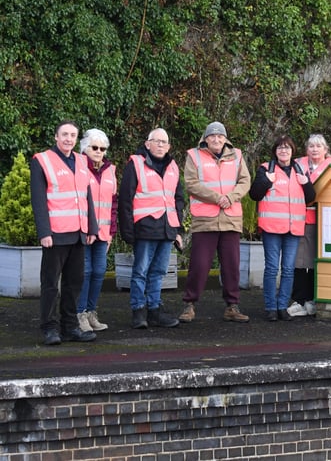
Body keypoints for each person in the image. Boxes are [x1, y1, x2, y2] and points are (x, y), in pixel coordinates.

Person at [31, 121, 98, 345]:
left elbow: (87, 195)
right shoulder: (42, 160)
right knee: (50, 283)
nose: (68, 139)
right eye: (64, 134)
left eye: (72, 135)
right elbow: (39, 200)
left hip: (79, 232)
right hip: (55, 234)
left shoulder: (81, 160)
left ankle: (70, 327)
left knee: (74, 283)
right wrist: (44, 231)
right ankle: (50, 328)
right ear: (56, 137)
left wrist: (93, 227)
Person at [179, 122, 252, 324]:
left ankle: (232, 306)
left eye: (220, 136)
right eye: (213, 136)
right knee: (199, 265)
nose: (217, 140)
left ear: (225, 139)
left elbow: (245, 181)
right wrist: (216, 197)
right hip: (205, 218)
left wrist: (230, 197)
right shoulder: (194, 156)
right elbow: (191, 184)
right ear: (206, 138)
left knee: (231, 265)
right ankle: (189, 304)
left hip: (230, 218)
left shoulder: (237, 155)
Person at [119, 128, 184, 329]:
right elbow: (125, 200)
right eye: (156, 141)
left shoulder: (173, 167)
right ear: (147, 144)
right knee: (140, 272)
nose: (160, 145)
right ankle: (139, 311)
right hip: (145, 228)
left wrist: (178, 229)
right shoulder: (136, 164)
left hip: (167, 229)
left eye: (164, 142)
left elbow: (178, 199)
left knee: (159, 272)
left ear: (169, 146)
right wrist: (127, 231)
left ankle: (154, 310)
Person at [250, 135, 315, 322]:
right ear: (275, 151)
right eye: (280, 148)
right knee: (271, 268)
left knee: (288, 269)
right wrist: (266, 181)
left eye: (287, 148)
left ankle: (282, 307)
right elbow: (254, 194)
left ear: (292, 151)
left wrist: (306, 183)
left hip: (293, 228)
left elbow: (310, 197)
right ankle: (271, 307)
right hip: (272, 228)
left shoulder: (299, 170)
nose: (283, 151)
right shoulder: (266, 169)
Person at [288, 134, 331, 317]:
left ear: (326, 149)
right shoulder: (297, 165)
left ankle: (316, 298)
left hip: (327, 219)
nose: (315, 149)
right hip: (301, 217)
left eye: (319, 146)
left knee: (322, 260)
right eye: (311, 146)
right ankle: (299, 299)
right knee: (300, 261)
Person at [77, 129, 118, 332]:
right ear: (85, 147)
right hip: (84, 232)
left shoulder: (111, 171)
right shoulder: (78, 167)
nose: (99, 151)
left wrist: (111, 232)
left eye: (103, 148)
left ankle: (92, 312)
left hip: (103, 233)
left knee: (99, 272)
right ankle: (80, 313)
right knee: (84, 272)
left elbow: (113, 204)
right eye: (94, 147)